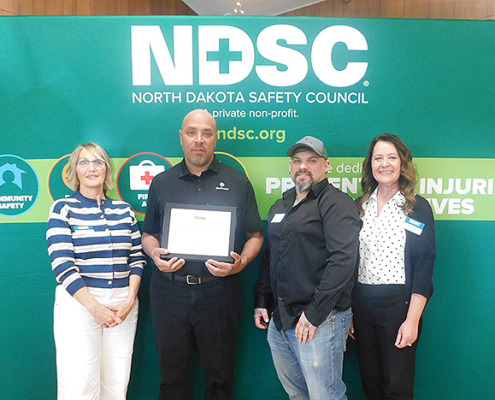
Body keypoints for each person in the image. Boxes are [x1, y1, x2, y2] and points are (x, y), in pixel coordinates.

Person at [142, 109, 264, 400]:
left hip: (219, 292)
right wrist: (154, 254)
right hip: (169, 292)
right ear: (181, 137)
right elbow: (148, 234)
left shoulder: (238, 181)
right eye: (192, 132)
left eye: (206, 133)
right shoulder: (161, 182)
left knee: (220, 378)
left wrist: (242, 263)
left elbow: (256, 236)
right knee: (171, 378)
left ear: (215, 138)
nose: (199, 140)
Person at [254, 136, 361, 400]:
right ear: (290, 167)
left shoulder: (336, 203)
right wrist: (262, 300)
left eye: (312, 160)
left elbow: (343, 260)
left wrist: (314, 314)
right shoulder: (281, 205)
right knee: (297, 395)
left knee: (325, 396)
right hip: (281, 318)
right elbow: (271, 254)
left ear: (327, 166)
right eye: (297, 161)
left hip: (321, 319)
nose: (303, 166)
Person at [46, 142, 146, 399]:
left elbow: (137, 258)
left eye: (98, 162)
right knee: (79, 386)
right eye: (84, 162)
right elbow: (62, 264)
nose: (91, 168)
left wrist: (130, 299)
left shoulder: (124, 211)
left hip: (122, 306)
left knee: (116, 384)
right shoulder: (63, 208)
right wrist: (94, 307)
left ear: (106, 168)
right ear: (75, 170)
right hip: (80, 304)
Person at [350, 134, 436, 400]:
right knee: (371, 385)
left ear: (402, 163)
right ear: (370, 165)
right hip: (362, 305)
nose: (384, 164)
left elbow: (424, 265)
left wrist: (412, 320)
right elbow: (348, 262)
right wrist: (349, 311)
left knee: (397, 387)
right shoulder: (358, 206)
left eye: (391, 157)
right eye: (378, 158)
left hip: (399, 306)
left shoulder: (417, 207)